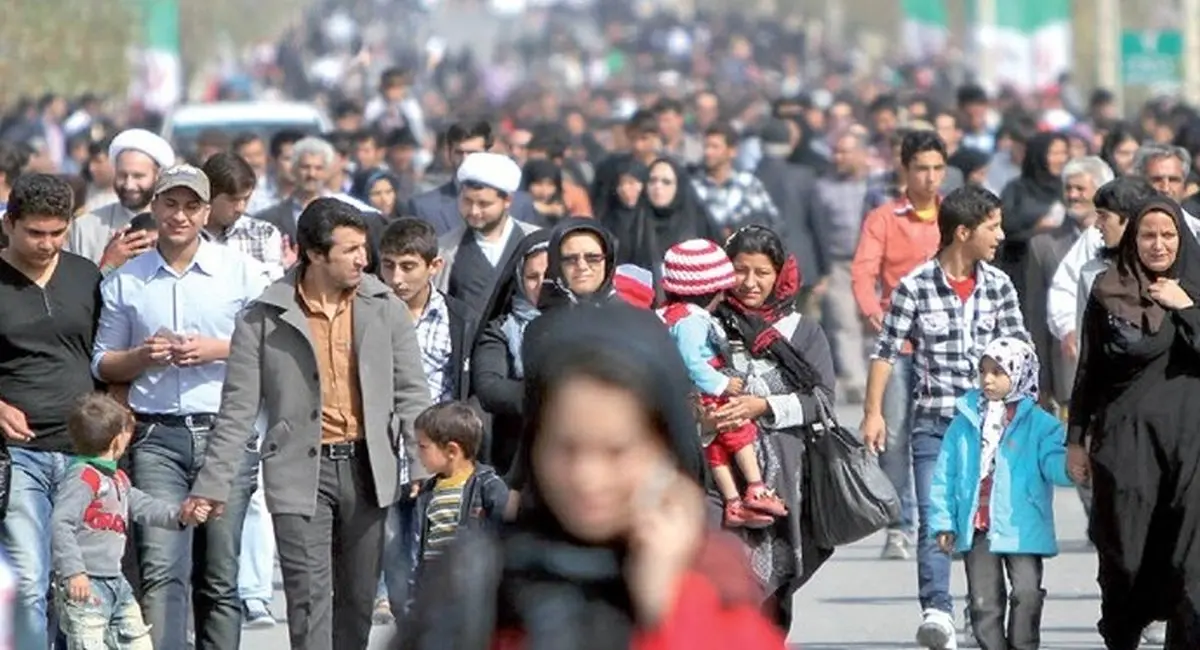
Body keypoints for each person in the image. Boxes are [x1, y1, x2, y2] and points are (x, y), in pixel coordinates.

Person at [404, 303, 785, 650]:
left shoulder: (713, 578)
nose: (587, 477)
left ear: (664, 450)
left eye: (616, 451)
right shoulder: (478, 580)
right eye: (566, 448)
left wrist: (666, 606)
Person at [185, 198, 431, 650]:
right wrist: (213, 483)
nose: (364, 258)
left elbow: (411, 390)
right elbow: (237, 408)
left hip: (367, 468)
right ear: (314, 254)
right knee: (307, 601)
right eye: (351, 249)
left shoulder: (384, 307)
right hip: (300, 473)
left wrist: (418, 460)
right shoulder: (262, 317)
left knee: (357, 603)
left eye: (364, 248)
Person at [90, 164, 272, 650]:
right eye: (170, 204)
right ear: (155, 207)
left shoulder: (244, 274)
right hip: (156, 438)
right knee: (161, 569)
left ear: (207, 212)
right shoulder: (127, 282)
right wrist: (140, 357)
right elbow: (104, 363)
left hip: (225, 433)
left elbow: (271, 349)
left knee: (218, 574)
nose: (180, 215)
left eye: (192, 206)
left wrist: (217, 348)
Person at [860, 185, 1029, 650]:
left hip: (991, 429)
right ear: (963, 232)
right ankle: (937, 611)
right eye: (992, 226)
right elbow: (885, 352)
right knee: (938, 519)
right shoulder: (915, 286)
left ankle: (982, 612)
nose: (1000, 235)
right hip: (935, 426)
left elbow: (1020, 352)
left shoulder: (999, 286)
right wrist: (873, 413)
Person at [1068, 198, 1200, 649]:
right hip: (1126, 451)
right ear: (1133, 239)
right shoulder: (1109, 290)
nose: (1158, 244)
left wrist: (1184, 306)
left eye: (1168, 235)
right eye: (1148, 235)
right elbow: (1089, 370)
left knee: (1190, 571)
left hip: (1190, 453)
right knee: (1126, 562)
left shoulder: (1195, 288)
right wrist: (1075, 441)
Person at [707, 225, 838, 629]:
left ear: (779, 274)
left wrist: (761, 406)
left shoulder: (803, 331)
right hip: (720, 477)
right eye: (740, 271)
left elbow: (821, 401)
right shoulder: (709, 324)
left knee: (774, 599)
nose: (749, 283)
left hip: (785, 481)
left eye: (762, 273)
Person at [0, 174, 102, 649]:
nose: (46, 244)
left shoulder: (86, 276)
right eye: (34, 233)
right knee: (29, 577)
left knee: (82, 582)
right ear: (9, 224)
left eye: (56, 233)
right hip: (19, 455)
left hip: (85, 454)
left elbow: (105, 354)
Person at [929, 337, 1073, 650]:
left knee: (1027, 592)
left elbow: (1054, 465)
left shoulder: (1041, 425)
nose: (988, 379)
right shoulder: (965, 422)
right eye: (983, 371)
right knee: (983, 604)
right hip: (978, 527)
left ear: (1020, 373)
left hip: (1023, 528)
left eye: (998, 371)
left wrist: (1074, 467)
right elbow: (945, 475)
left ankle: (1023, 645)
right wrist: (943, 522)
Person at [373, 217, 478, 625]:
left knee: (436, 547)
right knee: (394, 543)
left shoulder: (457, 318)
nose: (396, 278)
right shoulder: (371, 314)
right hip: (386, 451)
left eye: (408, 266)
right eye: (388, 266)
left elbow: (460, 385)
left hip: (441, 457)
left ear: (434, 266)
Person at [851, 129, 949, 560]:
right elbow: (863, 271)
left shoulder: (954, 217)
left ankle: (945, 521)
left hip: (947, 345)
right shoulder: (884, 219)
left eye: (937, 169)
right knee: (893, 434)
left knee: (947, 435)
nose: (930, 178)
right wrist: (873, 309)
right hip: (899, 345)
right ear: (904, 171)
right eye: (921, 169)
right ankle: (898, 524)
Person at [51, 393, 199, 650]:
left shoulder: (118, 478)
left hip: (116, 581)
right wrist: (74, 571)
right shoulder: (83, 478)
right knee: (89, 643)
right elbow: (60, 523)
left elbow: (145, 507)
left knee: (138, 641)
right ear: (117, 440)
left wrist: (179, 515)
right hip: (86, 585)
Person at [657, 238, 786, 528]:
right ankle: (756, 486)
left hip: (692, 395)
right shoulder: (692, 320)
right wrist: (721, 385)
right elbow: (692, 361)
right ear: (710, 291)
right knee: (738, 430)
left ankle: (733, 502)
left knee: (715, 449)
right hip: (708, 389)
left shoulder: (666, 315)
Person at [469, 229, 550, 476]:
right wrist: (551, 396)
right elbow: (489, 386)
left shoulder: (587, 318)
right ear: (519, 280)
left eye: (549, 275)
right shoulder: (502, 329)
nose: (541, 285)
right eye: (532, 277)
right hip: (516, 455)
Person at [410, 402, 508, 573]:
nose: (418, 453)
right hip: (434, 586)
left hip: (472, 585)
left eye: (423, 446)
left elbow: (505, 536)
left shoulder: (488, 488)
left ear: (451, 451)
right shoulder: (428, 492)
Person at [436, 152, 541, 310]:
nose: (474, 211)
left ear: (507, 201)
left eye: (484, 204)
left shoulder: (535, 241)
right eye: (467, 201)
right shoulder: (445, 248)